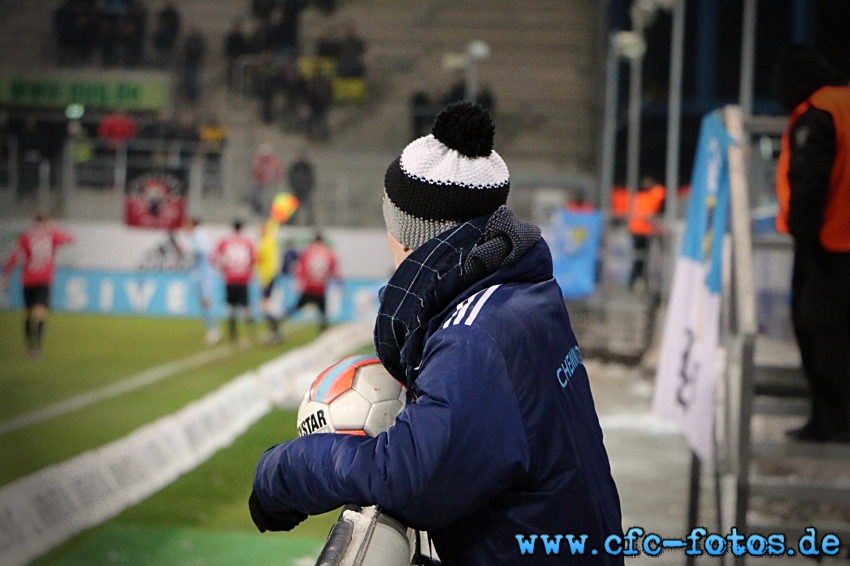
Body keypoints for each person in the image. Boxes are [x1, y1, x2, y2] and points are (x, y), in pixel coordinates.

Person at [249, 102, 623, 564]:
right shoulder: (527, 291)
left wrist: (282, 471)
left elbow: (411, 478)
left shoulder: (474, 336)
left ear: (407, 236)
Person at [772, 45, 850, 443]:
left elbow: (810, 181)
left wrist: (803, 234)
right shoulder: (845, 103)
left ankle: (832, 421)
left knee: (821, 332)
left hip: (828, 246)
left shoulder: (818, 112)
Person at [1, 213, 74, 359]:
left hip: (27, 280)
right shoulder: (51, 235)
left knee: (28, 313)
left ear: (34, 222)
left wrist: (5, 275)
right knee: (40, 313)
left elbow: (14, 256)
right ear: (46, 222)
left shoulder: (25, 237)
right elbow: (70, 238)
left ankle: (29, 347)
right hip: (43, 280)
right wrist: (53, 228)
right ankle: (37, 349)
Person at [281, 232, 338, 332]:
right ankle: (323, 331)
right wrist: (339, 285)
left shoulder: (308, 252)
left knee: (297, 306)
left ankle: (281, 318)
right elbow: (334, 270)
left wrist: (299, 281)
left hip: (309, 286)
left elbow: (301, 268)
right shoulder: (328, 253)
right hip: (320, 287)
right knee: (323, 311)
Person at [214, 220, 257, 343]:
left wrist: (222, 269)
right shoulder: (247, 242)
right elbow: (254, 259)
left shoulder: (225, 241)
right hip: (243, 278)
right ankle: (251, 333)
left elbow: (216, 258)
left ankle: (233, 334)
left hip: (230, 278)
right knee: (246, 307)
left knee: (230, 306)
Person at [183, 217, 220, 345]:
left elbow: (202, 251)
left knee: (206, 301)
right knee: (203, 302)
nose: (184, 228)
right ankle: (212, 329)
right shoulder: (194, 236)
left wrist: (187, 251)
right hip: (199, 273)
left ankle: (214, 330)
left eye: (186, 224)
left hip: (204, 273)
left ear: (192, 224)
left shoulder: (200, 234)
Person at [627, 176, 665, 291]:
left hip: (643, 230)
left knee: (642, 259)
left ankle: (639, 281)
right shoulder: (645, 196)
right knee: (640, 258)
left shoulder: (642, 196)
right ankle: (637, 281)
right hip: (640, 231)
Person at [256, 219, 283, 343]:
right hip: (269, 277)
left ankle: (275, 332)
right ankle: (276, 332)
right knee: (266, 306)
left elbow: (264, 262)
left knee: (265, 307)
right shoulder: (270, 242)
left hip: (267, 278)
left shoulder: (265, 243)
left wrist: (266, 280)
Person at [249, 143, 282, 215]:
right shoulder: (258, 161)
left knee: (269, 201)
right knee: (254, 198)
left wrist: (272, 180)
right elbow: (255, 171)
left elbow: (276, 172)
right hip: (260, 183)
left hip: (269, 184)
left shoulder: (272, 161)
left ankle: (268, 214)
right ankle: (260, 213)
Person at [286, 151, 315, 226]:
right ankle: (291, 223)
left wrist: (307, 188)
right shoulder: (294, 167)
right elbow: (290, 178)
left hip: (305, 191)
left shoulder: (307, 168)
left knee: (308, 207)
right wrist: (294, 187)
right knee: (292, 209)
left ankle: (310, 223)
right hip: (296, 190)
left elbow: (311, 179)